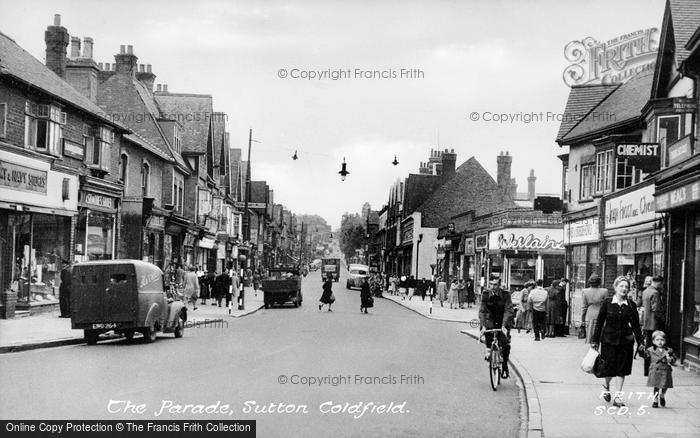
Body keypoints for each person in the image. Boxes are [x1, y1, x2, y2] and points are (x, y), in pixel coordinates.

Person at [591, 276, 644, 408]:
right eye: (621, 286)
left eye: (626, 287)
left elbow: (636, 325)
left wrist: (641, 342)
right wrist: (595, 341)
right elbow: (599, 323)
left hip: (626, 341)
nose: (624, 289)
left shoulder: (631, 305)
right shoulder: (607, 303)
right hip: (608, 340)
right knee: (608, 369)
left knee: (622, 370)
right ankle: (606, 386)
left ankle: (618, 397)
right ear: (615, 287)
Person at [479, 278, 514, 378]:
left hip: (503, 320)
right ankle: (488, 350)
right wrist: (483, 326)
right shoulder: (485, 294)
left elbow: (509, 310)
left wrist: (504, 325)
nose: (492, 287)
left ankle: (505, 365)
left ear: (498, 285)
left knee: (505, 344)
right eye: (490, 284)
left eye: (495, 285)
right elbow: (482, 310)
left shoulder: (505, 295)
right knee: (488, 333)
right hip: (490, 319)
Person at [644, 330, 676, 408]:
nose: (660, 342)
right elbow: (645, 356)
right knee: (656, 386)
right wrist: (641, 351)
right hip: (656, 370)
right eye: (657, 340)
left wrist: (670, 359)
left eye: (662, 340)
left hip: (665, 370)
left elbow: (674, 359)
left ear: (665, 341)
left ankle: (662, 395)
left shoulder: (669, 350)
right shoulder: (651, 350)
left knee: (665, 385)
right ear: (653, 341)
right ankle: (655, 400)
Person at [641, 276, 665, 376]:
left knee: (648, 347)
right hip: (654, 323)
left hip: (646, 323)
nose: (662, 286)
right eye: (662, 284)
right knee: (655, 347)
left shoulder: (646, 291)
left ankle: (647, 370)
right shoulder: (655, 293)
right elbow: (656, 309)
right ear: (658, 283)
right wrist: (662, 320)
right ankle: (653, 369)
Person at [581, 274, 608, 344]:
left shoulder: (585, 291)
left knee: (590, 335)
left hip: (589, 315)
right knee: (600, 336)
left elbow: (584, 307)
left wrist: (582, 319)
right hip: (601, 314)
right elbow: (606, 305)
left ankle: (591, 352)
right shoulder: (604, 291)